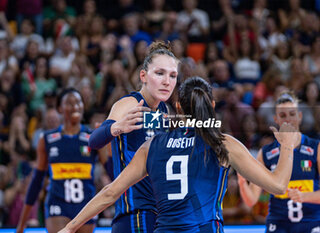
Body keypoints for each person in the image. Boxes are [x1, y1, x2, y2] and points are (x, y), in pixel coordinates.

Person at [58, 76, 298, 233]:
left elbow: (110, 193)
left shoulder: (152, 145)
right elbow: (278, 186)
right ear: (212, 106)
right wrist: (286, 146)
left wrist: (70, 228)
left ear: (179, 107)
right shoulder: (223, 144)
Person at [87, 41, 179, 233]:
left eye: (172, 76)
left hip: (159, 213)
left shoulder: (163, 110)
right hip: (135, 213)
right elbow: (93, 141)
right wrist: (116, 127)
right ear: (143, 76)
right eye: (160, 73)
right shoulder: (130, 104)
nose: (166, 81)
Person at [238, 91, 320, 233]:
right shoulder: (266, 153)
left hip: (311, 222)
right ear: (276, 119)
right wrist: (242, 182)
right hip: (279, 225)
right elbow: (251, 200)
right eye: (283, 115)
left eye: (292, 114)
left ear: (300, 116)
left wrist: (304, 196)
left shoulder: (317, 147)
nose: (288, 119)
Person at [16, 88, 109, 233]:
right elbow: (36, 181)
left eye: (78, 102)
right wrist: (21, 224)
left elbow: (112, 171)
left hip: (86, 205)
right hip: (58, 204)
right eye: (70, 103)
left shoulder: (93, 136)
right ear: (60, 108)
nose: (75, 107)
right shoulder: (47, 139)